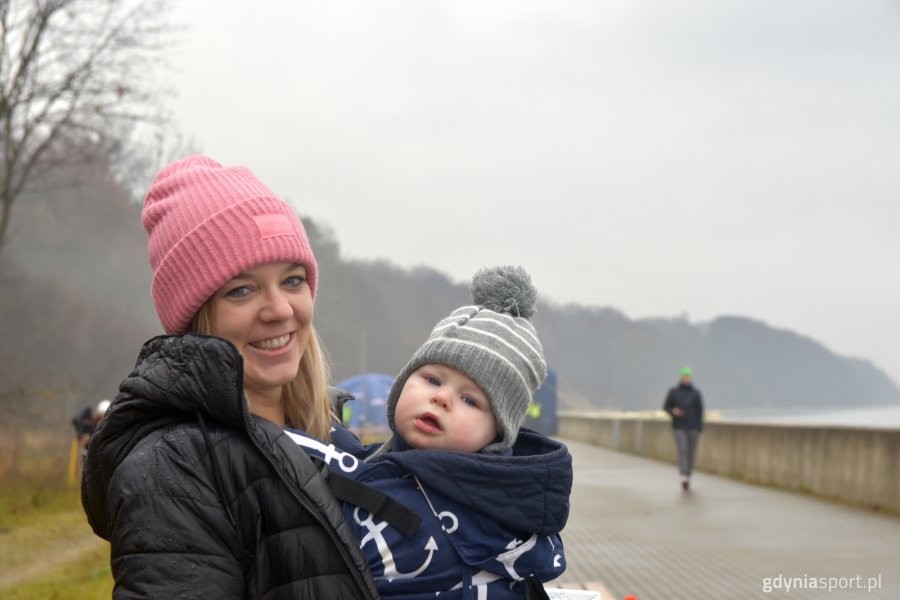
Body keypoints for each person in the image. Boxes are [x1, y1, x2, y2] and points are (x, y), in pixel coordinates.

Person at [81, 155, 380, 599]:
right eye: (241, 290)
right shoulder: (172, 469)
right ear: (197, 317)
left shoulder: (331, 437)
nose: (280, 309)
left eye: (293, 280)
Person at [287, 266, 573, 599]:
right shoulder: (407, 469)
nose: (441, 398)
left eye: (470, 400)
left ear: (497, 434)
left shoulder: (468, 507)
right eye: (432, 380)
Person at [663, 366, 704, 491]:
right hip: (679, 426)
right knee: (683, 450)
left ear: (691, 378)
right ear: (681, 377)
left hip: (693, 427)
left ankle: (688, 473)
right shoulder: (673, 392)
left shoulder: (696, 393)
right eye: (684, 376)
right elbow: (666, 407)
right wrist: (673, 411)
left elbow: (700, 411)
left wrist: (699, 427)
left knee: (691, 452)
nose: (686, 379)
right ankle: (683, 475)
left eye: (688, 376)